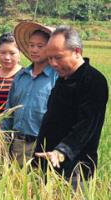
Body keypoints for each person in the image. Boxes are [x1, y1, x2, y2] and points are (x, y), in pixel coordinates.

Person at [34, 26, 108, 188]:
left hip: (75, 169)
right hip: (49, 162)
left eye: (58, 57)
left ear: (77, 51)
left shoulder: (94, 81)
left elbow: (87, 125)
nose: (53, 63)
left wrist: (62, 152)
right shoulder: (64, 78)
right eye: (50, 58)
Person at [1, 22, 58, 166]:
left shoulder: (57, 78)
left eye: (40, 46)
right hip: (18, 143)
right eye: (31, 45)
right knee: (16, 185)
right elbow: (9, 112)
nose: (34, 50)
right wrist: (2, 140)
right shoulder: (21, 76)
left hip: (44, 145)